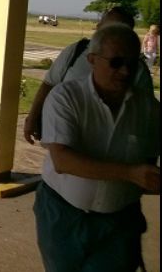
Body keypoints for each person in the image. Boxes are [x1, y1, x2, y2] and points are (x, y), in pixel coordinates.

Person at [33, 22, 160, 271]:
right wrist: (131, 174)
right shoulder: (66, 97)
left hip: (119, 223)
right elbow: (62, 161)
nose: (124, 71)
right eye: (115, 62)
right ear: (92, 60)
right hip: (62, 216)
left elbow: (149, 164)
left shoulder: (149, 110)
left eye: (132, 63)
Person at [23, 6, 153, 144]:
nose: (124, 71)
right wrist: (32, 117)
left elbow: (146, 118)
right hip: (69, 139)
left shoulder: (139, 70)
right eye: (115, 63)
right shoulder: (75, 54)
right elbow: (49, 84)